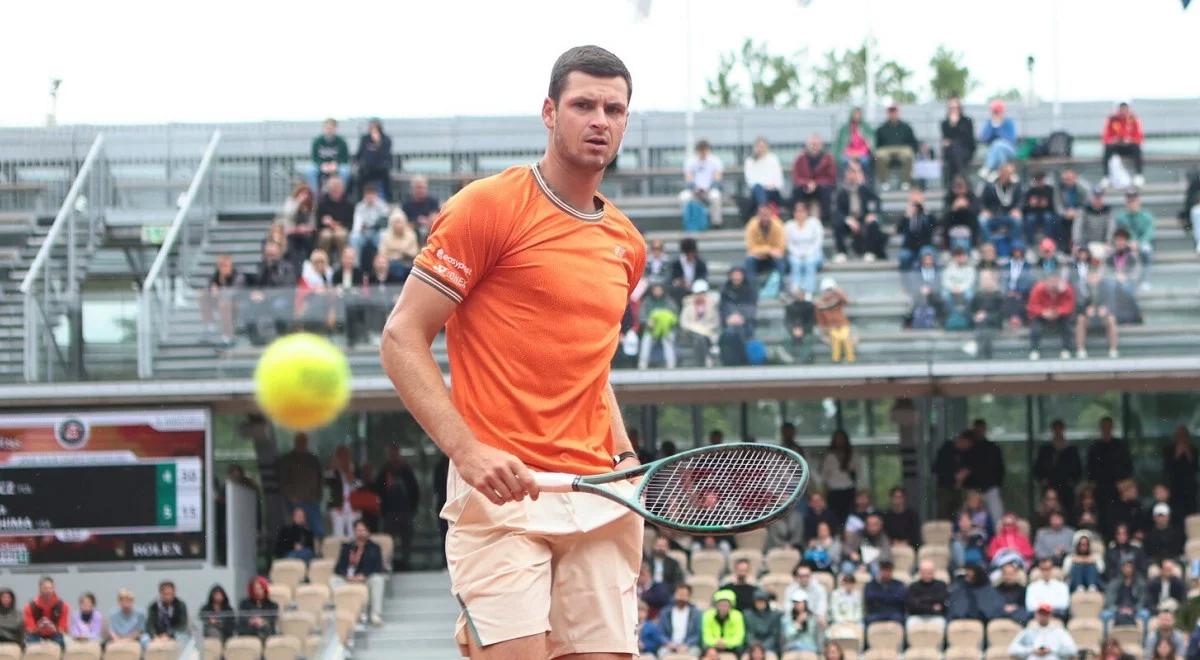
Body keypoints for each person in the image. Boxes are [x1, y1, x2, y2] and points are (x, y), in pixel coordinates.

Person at [381, 48, 641, 657]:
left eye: (613, 108)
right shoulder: (487, 207)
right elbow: (401, 337)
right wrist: (466, 450)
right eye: (582, 105)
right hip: (503, 494)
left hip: (599, 491)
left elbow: (590, 366)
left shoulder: (627, 243)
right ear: (550, 113)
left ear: (626, 122)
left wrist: (626, 455)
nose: (598, 119)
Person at [332, 520, 386, 626]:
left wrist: (364, 575)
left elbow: (378, 567)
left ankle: (375, 614)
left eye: (363, 530)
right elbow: (338, 568)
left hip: (365, 578)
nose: (360, 532)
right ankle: (344, 613)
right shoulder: (347, 546)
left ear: (368, 532)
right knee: (334, 580)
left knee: (378, 579)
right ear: (354, 531)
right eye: (358, 530)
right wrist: (346, 576)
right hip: (348, 579)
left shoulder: (374, 547)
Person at [374, 446, 420, 570]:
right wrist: (386, 485)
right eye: (392, 454)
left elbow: (414, 490)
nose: (394, 457)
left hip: (405, 511)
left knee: (406, 539)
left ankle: (407, 563)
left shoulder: (406, 470)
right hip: (390, 512)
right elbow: (378, 489)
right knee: (389, 540)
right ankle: (388, 564)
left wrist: (412, 508)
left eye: (395, 454)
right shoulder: (384, 471)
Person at [832, 163, 885, 263]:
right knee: (837, 224)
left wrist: (872, 214)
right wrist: (847, 219)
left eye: (855, 173)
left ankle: (870, 252)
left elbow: (877, 201)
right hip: (849, 220)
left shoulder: (865, 189)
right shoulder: (841, 191)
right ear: (846, 175)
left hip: (863, 219)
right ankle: (841, 253)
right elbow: (837, 210)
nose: (853, 175)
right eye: (850, 173)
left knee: (873, 224)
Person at [1088, 417, 1134, 524]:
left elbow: (1128, 467)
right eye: (1104, 426)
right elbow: (1090, 469)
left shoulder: (1120, 446)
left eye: (1108, 426)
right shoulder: (1094, 447)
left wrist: (1125, 484)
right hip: (1100, 488)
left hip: (1118, 488)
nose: (1106, 428)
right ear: (1100, 428)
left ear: (1112, 427)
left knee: (1117, 516)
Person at [1026, 269, 1075, 360]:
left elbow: (1069, 305)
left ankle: (1066, 349)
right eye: (1051, 281)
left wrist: (1058, 311)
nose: (1053, 284)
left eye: (1056, 281)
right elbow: (1032, 305)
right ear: (1046, 281)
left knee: (1067, 325)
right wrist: (1043, 312)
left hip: (1059, 314)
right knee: (1035, 327)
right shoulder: (1038, 288)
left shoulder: (1066, 289)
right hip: (1042, 314)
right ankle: (1034, 350)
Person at [1034, 420, 1082, 513]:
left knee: (1068, 511)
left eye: (1060, 429)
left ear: (1063, 430)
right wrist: (1042, 480)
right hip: (1049, 487)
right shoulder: (1045, 450)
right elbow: (1037, 468)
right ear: (1052, 431)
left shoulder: (1071, 450)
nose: (1058, 431)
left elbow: (1078, 469)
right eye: (1055, 429)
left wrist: (1072, 481)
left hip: (1066, 488)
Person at [1074, 265, 1121, 359]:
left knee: (1111, 319)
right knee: (1080, 319)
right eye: (1091, 276)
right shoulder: (1082, 287)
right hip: (1088, 317)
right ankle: (1080, 350)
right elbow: (1078, 304)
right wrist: (1085, 310)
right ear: (1087, 277)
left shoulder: (1107, 287)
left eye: (1095, 276)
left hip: (1103, 316)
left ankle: (1113, 349)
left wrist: (1106, 309)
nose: (1093, 279)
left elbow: (1112, 302)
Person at [980, 162, 1023, 258]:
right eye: (1004, 172)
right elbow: (982, 201)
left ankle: (1014, 247)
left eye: (1008, 173)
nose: (1005, 175)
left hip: (1009, 214)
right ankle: (989, 247)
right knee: (982, 220)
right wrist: (984, 210)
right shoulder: (990, 185)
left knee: (1017, 220)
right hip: (993, 214)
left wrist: (1017, 209)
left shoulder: (1016, 185)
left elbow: (1021, 200)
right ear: (999, 172)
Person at [200, 254, 245, 347]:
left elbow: (236, 290)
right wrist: (211, 288)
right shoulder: (216, 274)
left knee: (224, 303)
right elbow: (208, 286)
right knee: (203, 295)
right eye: (220, 265)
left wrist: (220, 291)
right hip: (222, 300)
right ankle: (210, 326)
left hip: (238, 302)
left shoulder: (238, 274)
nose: (223, 267)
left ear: (230, 265)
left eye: (225, 265)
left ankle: (228, 336)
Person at [1008, 603, 1078, 660]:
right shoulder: (1028, 632)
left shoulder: (1059, 632)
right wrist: (1032, 650)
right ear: (1036, 615)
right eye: (1041, 613)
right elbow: (1012, 649)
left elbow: (1072, 650)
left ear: (1050, 615)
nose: (1043, 616)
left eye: (1046, 614)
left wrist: (1052, 650)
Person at [680, 139, 725, 228]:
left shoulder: (715, 160)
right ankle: (687, 222)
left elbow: (717, 178)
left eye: (705, 149)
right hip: (694, 191)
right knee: (683, 197)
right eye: (701, 149)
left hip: (710, 190)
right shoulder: (691, 161)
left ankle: (716, 223)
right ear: (697, 150)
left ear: (708, 150)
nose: (703, 152)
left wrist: (708, 189)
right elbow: (688, 178)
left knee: (716, 196)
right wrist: (695, 189)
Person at [819, 430, 862, 522]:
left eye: (841, 439)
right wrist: (824, 492)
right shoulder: (829, 456)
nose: (840, 441)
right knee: (833, 518)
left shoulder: (853, 454)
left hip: (849, 490)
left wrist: (859, 491)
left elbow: (859, 474)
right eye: (838, 439)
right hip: (834, 492)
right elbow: (824, 476)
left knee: (849, 518)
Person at [874, 102, 918, 190]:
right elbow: (877, 144)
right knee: (879, 155)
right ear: (887, 113)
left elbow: (913, 142)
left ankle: (905, 182)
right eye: (891, 111)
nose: (893, 113)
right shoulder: (881, 128)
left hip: (902, 149)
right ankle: (884, 182)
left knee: (908, 154)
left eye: (894, 111)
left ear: (898, 112)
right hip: (886, 149)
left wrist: (914, 150)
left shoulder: (906, 127)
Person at [792, 134, 837, 221]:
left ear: (821, 145)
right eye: (812, 144)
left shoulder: (828, 159)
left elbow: (831, 178)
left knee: (826, 191)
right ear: (807, 145)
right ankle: (797, 216)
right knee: (797, 191)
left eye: (816, 144)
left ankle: (825, 219)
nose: (814, 146)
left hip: (821, 187)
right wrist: (807, 183)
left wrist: (816, 184)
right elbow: (796, 177)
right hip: (805, 187)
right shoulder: (800, 159)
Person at [1101, 102, 1146, 189]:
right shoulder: (1112, 119)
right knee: (1107, 149)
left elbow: (1139, 136)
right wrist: (1114, 140)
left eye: (1125, 110)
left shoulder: (1133, 119)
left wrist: (1130, 140)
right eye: (1122, 110)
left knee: (1137, 148)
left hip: (1129, 146)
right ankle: (1106, 177)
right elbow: (1105, 136)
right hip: (1116, 147)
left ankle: (1139, 175)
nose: (1123, 112)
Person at [1115, 189, 1155, 287]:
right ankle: (1126, 279)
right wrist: (1129, 243)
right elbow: (1121, 233)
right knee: (1122, 252)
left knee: (1146, 250)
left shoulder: (1147, 216)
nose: (1132, 203)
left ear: (1138, 201)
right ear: (1126, 202)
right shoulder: (1121, 217)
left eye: (1134, 200)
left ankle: (1146, 280)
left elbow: (1149, 233)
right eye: (1129, 201)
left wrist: (1139, 243)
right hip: (1127, 244)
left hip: (1142, 243)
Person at [742, 203, 787, 286]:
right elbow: (750, 247)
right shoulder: (751, 225)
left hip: (773, 258)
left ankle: (781, 289)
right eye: (762, 214)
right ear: (758, 214)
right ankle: (752, 289)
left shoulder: (778, 225)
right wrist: (768, 250)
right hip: (758, 257)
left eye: (766, 214)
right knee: (749, 260)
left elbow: (781, 247)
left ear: (771, 214)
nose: (764, 217)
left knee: (780, 260)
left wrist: (762, 251)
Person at [785, 201, 824, 296]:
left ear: (807, 212)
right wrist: (797, 253)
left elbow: (818, 241)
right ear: (794, 213)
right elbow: (788, 243)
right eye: (797, 211)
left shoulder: (815, 223)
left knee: (809, 262)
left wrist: (808, 253)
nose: (800, 214)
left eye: (802, 211)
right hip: (795, 253)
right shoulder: (788, 225)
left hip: (814, 252)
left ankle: (808, 292)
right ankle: (796, 291)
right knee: (796, 263)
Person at [637, 282, 679, 369]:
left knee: (669, 339)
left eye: (659, 290)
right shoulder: (647, 301)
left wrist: (667, 322)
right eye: (655, 290)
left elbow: (675, 316)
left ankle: (671, 365)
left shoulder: (669, 301)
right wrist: (647, 321)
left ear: (663, 290)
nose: (657, 291)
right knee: (646, 340)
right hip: (651, 329)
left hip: (666, 330)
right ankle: (642, 365)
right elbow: (641, 316)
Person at [679, 280, 720, 367]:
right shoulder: (688, 306)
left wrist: (705, 328)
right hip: (690, 333)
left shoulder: (712, 306)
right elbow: (683, 322)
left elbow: (715, 322)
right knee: (699, 338)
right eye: (698, 293)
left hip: (708, 333)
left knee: (701, 338)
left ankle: (703, 362)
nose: (700, 296)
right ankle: (704, 361)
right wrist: (694, 327)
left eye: (702, 293)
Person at [350, 183, 391, 268]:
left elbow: (384, 224)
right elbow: (356, 226)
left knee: (384, 235)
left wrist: (372, 227)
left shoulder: (382, 205)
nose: (370, 196)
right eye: (368, 194)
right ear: (364, 195)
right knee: (354, 237)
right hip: (363, 234)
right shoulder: (360, 206)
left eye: (372, 194)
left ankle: (381, 264)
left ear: (376, 194)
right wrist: (360, 229)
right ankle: (355, 266)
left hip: (377, 233)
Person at [306, 118, 351, 195]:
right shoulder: (317, 141)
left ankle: (340, 195)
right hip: (321, 166)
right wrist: (322, 165)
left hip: (336, 166)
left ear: (335, 128)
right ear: (323, 128)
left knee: (345, 171)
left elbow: (345, 158)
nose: (329, 130)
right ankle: (315, 197)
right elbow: (314, 158)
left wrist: (336, 164)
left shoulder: (341, 141)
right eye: (327, 128)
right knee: (310, 171)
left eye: (331, 128)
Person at [815, 278, 854, 363]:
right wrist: (823, 335)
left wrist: (838, 290)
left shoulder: (837, 299)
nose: (828, 293)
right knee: (836, 340)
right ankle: (836, 361)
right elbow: (820, 321)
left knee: (845, 338)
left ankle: (850, 361)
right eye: (826, 290)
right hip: (831, 327)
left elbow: (846, 301)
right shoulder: (819, 303)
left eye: (830, 290)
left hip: (842, 324)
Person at [1103, 559, 1150, 630]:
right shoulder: (1114, 582)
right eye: (1125, 567)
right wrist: (1119, 609)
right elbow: (1109, 600)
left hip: (1135, 609)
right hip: (1117, 608)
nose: (1127, 569)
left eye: (1130, 567)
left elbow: (1143, 600)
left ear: (1133, 569)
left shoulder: (1140, 582)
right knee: (1105, 615)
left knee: (1145, 614)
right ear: (1121, 568)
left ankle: (1143, 641)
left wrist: (1133, 609)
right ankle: (1106, 641)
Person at [353, 118, 393, 201]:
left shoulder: (386, 139)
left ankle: (389, 200)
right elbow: (359, 153)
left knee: (386, 177)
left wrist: (378, 143)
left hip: (380, 168)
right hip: (367, 168)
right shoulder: (365, 139)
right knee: (358, 178)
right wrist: (357, 162)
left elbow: (385, 155)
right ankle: (360, 199)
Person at [657, 584, 702, 658]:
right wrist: (669, 643)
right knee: (661, 653)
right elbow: (661, 633)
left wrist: (686, 645)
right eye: (679, 594)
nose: (681, 597)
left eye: (684, 595)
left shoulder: (696, 613)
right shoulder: (665, 612)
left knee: (694, 653)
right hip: (669, 645)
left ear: (689, 597)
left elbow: (696, 634)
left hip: (689, 646)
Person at [968, 269, 1004, 359]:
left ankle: (977, 350)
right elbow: (970, 310)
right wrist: (975, 316)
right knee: (983, 328)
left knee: (985, 330)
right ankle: (983, 355)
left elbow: (1001, 313)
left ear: (993, 280)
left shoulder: (998, 295)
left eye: (987, 279)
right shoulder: (977, 295)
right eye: (983, 280)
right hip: (979, 324)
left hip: (994, 324)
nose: (985, 282)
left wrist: (986, 316)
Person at [315, 176, 353, 259]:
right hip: (326, 229)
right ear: (329, 189)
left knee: (341, 235)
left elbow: (350, 223)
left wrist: (334, 224)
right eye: (333, 188)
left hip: (342, 229)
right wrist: (326, 223)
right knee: (326, 236)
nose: (335, 190)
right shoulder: (322, 203)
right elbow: (318, 223)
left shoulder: (348, 204)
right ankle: (324, 262)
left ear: (342, 189)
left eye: (338, 187)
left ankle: (343, 263)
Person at [905, 560, 948, 633]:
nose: (928, 574)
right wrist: (932, 606)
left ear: (934, 572)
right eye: (925, 571)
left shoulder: (941, 585)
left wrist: (921, 601)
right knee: (910, 623)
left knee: (942, 623)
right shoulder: (913, 586)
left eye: (930, 571)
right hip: (917, 616)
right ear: (920, 572)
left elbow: (941, 600)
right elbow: (912, 605)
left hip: (936, 617)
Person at [941, 96, 977, 185]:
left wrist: (955, 125)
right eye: (951, 108)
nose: (953, 110)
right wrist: (952, 124)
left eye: (955, 107)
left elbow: (967, 138)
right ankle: (963, 180)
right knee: (954, 150)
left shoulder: (967, 121)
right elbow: (946, 140)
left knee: (956, 149)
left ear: (959, 108)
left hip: (965, 150)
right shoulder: (945, 123)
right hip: (951, 152)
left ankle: (954, 184)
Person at [22, 577, 67, 647]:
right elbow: (29, 629)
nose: (48, 591)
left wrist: (53, 628)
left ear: (53, 588)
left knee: (61, 642)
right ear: (40, 589)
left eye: (50, 588)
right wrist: (39, 628)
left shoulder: (63, 606)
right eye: (45, 588)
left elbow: (63, 628)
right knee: (30, 643)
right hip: (36, 634)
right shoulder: (29, 606)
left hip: (55, 634)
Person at [1022, 170, 1061, 249]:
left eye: (1041, 179)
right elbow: (1025, 207)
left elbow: (1055, 206)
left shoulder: (1050, 190)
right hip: (1033, 213)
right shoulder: (1030, 191)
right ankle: (1030, 243)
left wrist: (1046, 204)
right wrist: (1030, 204)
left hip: (1047, 212)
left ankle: (1049, 240)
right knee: (1030, 219)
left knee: (1048, 217)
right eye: (1037, 180)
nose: (1039, 182)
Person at [1074, 187, 1116, 259]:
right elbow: (1077, 227)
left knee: (1110, 253)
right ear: (1091, 197)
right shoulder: (1084, 210)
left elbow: (1111, 228)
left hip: (1103, 244)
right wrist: (1077, 243)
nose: (1097, 199)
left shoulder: (1108, 211)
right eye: (1095, 197)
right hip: (1086, 244)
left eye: (1099, 197)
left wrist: (1108, 242)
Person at [978, 99, 1017, 178]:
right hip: (994, 151)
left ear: (1002, 112)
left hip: (1009, 149)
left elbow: (1011, 139)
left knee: (997, 144)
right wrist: (993, 127)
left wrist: (999, 129)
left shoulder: (1008, 122)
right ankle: (999, 173)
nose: (996, 114)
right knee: (999, 151)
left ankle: (988, 168)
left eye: (997, 112)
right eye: (994, 112)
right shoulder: (989, 123)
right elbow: (983, 138)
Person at [1165, 427, 1197, 521]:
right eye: (1179, 436)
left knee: (1191, 511)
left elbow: (1195, 467)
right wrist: (1177, 454)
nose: (1181, 438)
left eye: (1183, 435)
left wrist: (1188, 453)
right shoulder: (1169, 449)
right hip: (1175, 485)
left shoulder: (1193, 449)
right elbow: (1168, 468)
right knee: (1176, 511)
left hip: (1189, 487)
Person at [942, 175, 982, 252]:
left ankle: (974, 247)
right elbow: (944, 211)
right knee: (945, 220)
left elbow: (977, 209)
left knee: (976, 219)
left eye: (961, 187)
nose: (959, 190)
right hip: (953, 220)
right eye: (957, 187)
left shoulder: (971, 195)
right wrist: (953, 207)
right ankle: (946, 249)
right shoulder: (949, 196)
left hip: (968, 220)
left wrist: (967, 206)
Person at [701, 590, 746, 657]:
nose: (723, 607)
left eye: (726, 605)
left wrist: (726, 643)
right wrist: (716, 642)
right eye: (721, 605)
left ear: (731, 606)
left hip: (731, 646)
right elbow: (706, 637)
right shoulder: (707, 615)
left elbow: (739, 637)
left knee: (740, 648)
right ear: (716, 605)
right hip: (714, 645)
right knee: (704, 648)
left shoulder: (737, 615)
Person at [377, 209, 419, 279]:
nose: (399, 225)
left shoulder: (411, 234)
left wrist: (395, 250)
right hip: (390, 264)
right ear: (391, 224)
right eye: (396, 222)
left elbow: (414, 252)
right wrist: (402, 250)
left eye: (400, 222)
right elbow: (382, 253)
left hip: (407, 264)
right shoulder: (386, 236)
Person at [896, 198, 936, 271]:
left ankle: (927, 278)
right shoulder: (907, 219)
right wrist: (905, 216)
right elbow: (898, 230)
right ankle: (906, 279)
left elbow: (934, 225)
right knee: (903, 256)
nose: (914, 210)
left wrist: (927, 213)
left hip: (924, 245)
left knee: (927, 254)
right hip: (909, 247)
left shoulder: (925, 218)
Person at [833, 107, 873, 178]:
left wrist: (859, 153)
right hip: (848, 154)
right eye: (855, 114)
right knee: (844, 161)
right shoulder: (845, 129)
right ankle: (844, 183)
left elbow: (868, 144)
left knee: (865, 162)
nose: (857, 116)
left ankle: (865, 183)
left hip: (862, 154)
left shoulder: (866, 128)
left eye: (858, 114)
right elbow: (843, 145)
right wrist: (851, 154)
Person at [744, 137, 784, 208]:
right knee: (758, 188)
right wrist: (762, 186)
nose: (761, 149)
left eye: (762, 147)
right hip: (757, 191)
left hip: (772, 191)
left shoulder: (773, 159)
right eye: (759, 146)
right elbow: (749, 180)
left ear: (767, 147)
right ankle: (763, 208)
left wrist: (771, 186)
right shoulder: (749, 161)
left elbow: (779, 180)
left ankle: (762, 208)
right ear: (755, 147)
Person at [864, 560, 906, 624]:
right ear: (880, 571)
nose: (886, 573)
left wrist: (880, 597)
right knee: (868, 619)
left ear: (892, 572)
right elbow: (870, 598)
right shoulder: (871, 585)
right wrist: (889, 596)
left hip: (893, 612)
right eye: (884, 570)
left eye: (888, 571)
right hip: (876, 612)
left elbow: (900, 599)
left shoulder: (899, 584)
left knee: (899, 618)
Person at [236, 577, 278, 642]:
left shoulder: (272, 605)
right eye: (255, 589)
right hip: (249, 631)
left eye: (260, 588)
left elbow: (272, 619)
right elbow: (242, 618)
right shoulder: (244, 604)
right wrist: (251, 621)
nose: (258, 591)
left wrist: (262, 620)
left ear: (265, 589)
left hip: (266, 632)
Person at [669, 238, 709, 304]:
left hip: (696, 290)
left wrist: (693, 285)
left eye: (692, 253)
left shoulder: (700, 263)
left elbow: (703, 278)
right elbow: (672, 279)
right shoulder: (676, 264)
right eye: (688, 254)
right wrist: (678, 282)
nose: (690, 256)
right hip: (680, 291)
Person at [743, 589, 782, 656]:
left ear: (767, 602)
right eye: (758, 601)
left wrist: (762, 648)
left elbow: (774, 636)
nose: (760, 603)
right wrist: (755, 647)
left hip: (769, 648)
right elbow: (748, 634)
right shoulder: (747, 615)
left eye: (762, 601)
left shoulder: (774, 615)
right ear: (754, 602)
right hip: (751, 648)